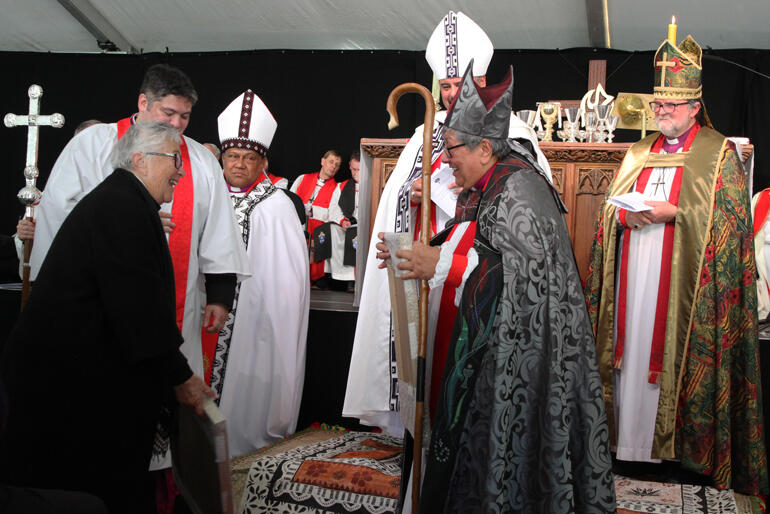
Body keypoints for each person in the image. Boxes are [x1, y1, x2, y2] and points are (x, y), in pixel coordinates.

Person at [383, 63, 615, 511]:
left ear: (485, 147)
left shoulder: (521, 190)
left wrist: (444, 264)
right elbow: (477, 241)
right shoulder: (486, 183)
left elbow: (526, 281)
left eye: (451, 149)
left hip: (519, 366)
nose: (445, 159)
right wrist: (425, 252)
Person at [343, 10, 551, 436]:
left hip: (476, 270)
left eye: (462, 84)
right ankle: (417, 429)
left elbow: (519, 204)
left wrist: (437, 193)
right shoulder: (426, 131)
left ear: (483, 81)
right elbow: (396, 198)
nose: (453, 94)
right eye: (448, 85)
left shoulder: (510, 131)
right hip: (426, 269)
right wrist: (412, 197)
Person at [29, 65, 249, 464]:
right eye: (169, 114)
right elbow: (59, 217)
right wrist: (137, 218)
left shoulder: (198, 157)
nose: (178, 125)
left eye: (185, 117)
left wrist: (220, 292)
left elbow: (218, 227)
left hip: (169, 309)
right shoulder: (94, 145)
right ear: (142, 102)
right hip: (104, 313)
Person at [0, 122, 215, 513]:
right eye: (174, 160)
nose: (181, 172)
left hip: (80, 388)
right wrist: (181, 378)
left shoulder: (126, 202)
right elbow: (137, 309)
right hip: (68, 396)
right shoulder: (122, 207)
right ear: (139, 161)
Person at [585, 34, 767, 495]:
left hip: (686, 289)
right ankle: (625, 447)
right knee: (631, 352)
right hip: (632, 276)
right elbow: (609, 211)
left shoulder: (717, 152)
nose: (661, 110)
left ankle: (673, 453)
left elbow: (730, 226)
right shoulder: (637, 152)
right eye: (658, 102)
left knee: (668, 356)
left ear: (694, 106)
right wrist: (625, 214)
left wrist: (677, 212)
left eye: (670, 104)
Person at [211, 90, 309, 457]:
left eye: (248, 157)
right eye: (232, 156)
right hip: (206, 319)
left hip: (257, 327)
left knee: (249, 399)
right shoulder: (209, 196)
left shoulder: (278, 206)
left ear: (262, 161)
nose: (238, 164)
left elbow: (288, 282)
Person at [290, 149, 342, 283]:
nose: (333, 166)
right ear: (323, 161)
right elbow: (290, 199)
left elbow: (332, 213)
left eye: (337, 164)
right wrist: (301, 209)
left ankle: (312, 280)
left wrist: (312, 210)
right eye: (331, 162)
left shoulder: (337, 188)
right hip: (297, 223)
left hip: (318, 227)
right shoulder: (303, 178)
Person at [327, 151, 360, 285]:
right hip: (347, 225)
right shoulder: (342, 186)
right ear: (349, 166)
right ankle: (342, 278)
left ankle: (358, 279)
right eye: (353, 169)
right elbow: (333, 208)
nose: (355, 173)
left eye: (359, 169)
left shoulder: (373, 186)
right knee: (333, 230)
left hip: (365, 225)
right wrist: (342, 221)